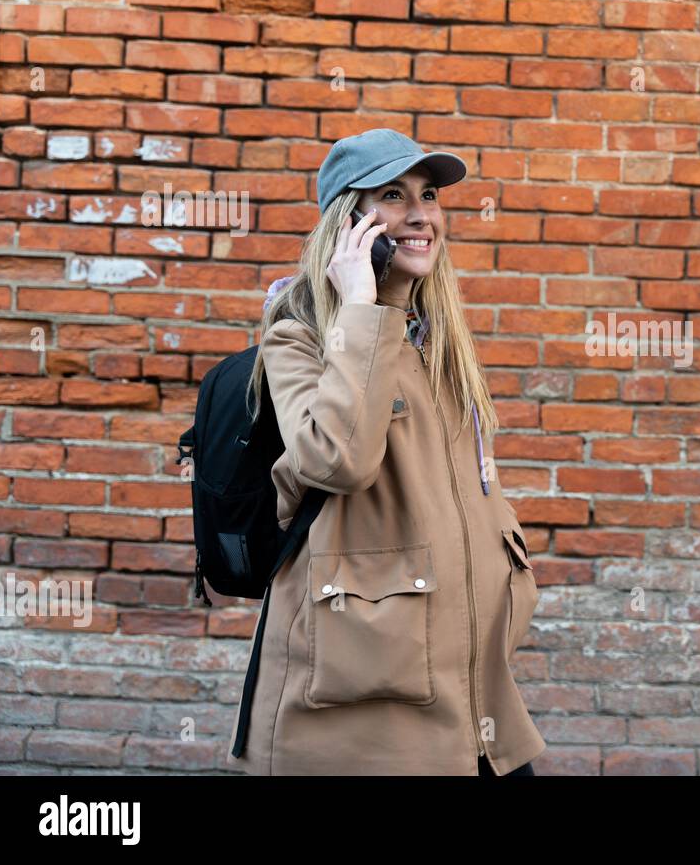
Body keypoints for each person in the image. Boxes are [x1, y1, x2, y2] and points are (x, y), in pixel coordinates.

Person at [224, 128, 543, 776]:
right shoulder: (300, 335)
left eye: (429, 195)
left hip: (469, 684)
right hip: (369, 694)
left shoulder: (434, 340)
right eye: (393, 196)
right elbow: (336, 459)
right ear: (349, 221)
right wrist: (363, 307)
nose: (420, 213)